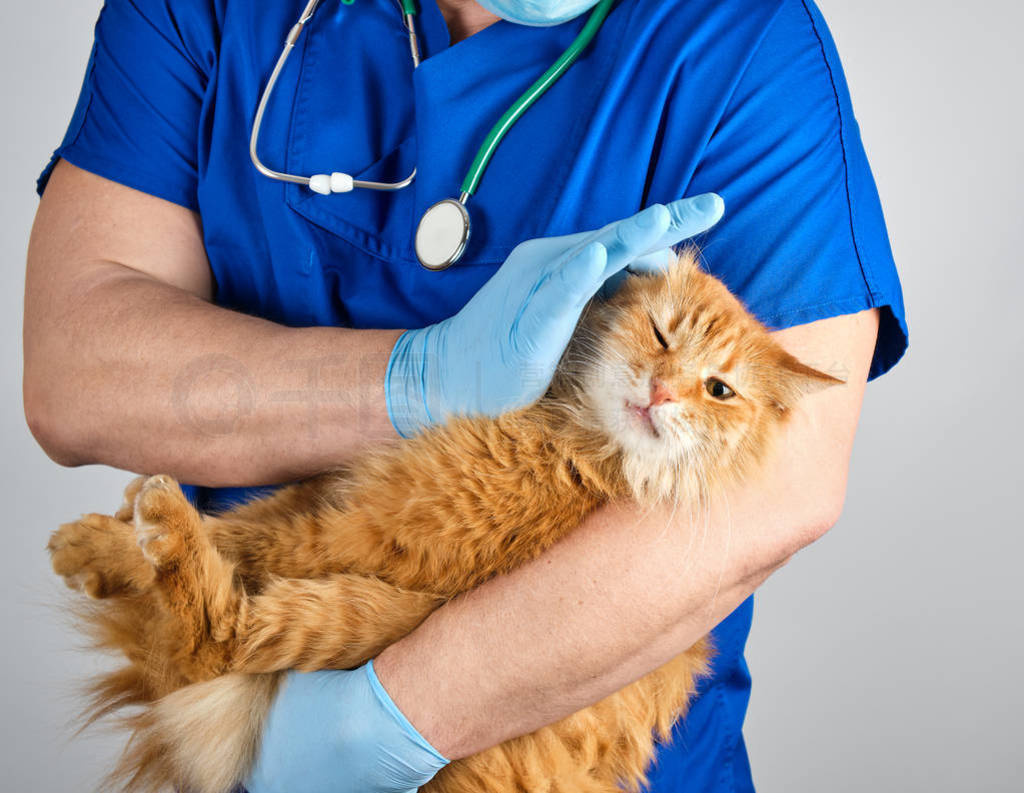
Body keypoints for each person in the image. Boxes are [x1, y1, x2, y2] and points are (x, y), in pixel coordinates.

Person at [23, 0, 907, 790]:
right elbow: (77, 368)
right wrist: (417, 379)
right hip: (233, 674)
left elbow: (784, 482)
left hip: (536, 752)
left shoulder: (739, 38)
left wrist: (387, 725)